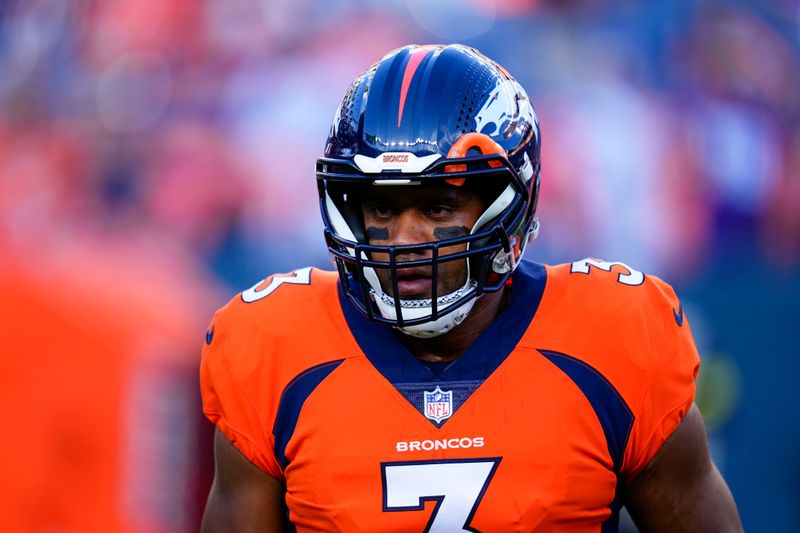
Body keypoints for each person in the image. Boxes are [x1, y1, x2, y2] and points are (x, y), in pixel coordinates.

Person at [200, 44, 742, 532]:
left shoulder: (613, 334)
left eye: (437, 207)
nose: (404, 240)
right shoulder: (270, 346)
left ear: (509, 206)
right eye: (382, 207)